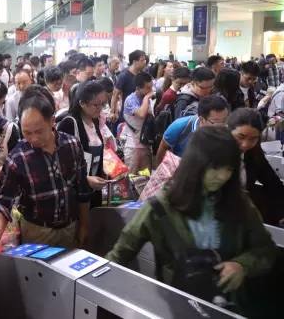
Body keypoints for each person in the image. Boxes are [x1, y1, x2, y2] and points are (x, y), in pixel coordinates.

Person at [106, 126, 277, 309]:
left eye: (229, 169)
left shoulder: (240, 204)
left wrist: (242, 266)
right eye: (215, 167)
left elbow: (266, 249)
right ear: (195, 164)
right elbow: (119, 255)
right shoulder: (159, 207)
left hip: (230, 305)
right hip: (176, 306)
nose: (222, 176)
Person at [0, 85, 91, 250]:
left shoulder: (72, 145)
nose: (33, 138)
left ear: (52, 121)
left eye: (39, 131)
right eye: (27, 133)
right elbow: (3, 202)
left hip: (70, 228)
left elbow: (82, 190)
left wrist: (84, 225)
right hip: (37, 232)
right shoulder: (18, 158)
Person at [57, 81, 113, 208]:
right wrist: (85, 179)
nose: (100, 109)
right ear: (82, 103)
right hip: (76, 192)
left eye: (102, 105)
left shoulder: (94, 121)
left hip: (93, 190)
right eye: (96, 105)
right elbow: (62, 162)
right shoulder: (70, 123)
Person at [156, 95, 229, 164]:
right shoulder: (179, 127)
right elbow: (163, 148)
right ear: (201, 119)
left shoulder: (228, 131)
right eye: (217, 122)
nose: (223, 126)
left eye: (225, 120)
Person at [122, 72, 154, 174]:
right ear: (138, 88)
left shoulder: (149, 98)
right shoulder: (130, 100)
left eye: (151, 86)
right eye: (147, 88)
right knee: (131, 178)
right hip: (133, 147)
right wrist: (146, 98)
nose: (150, 90)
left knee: (144, 178)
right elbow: (141, 114)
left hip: (146, 145)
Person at [110, 50, 146, 122]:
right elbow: (115, 95)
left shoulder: (142, 75)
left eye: (145, 60)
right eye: (142, 60)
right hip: (127, 114)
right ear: (134, 62)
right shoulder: (124, 76)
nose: (144, 62)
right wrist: (112, 112)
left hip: (140, 112)